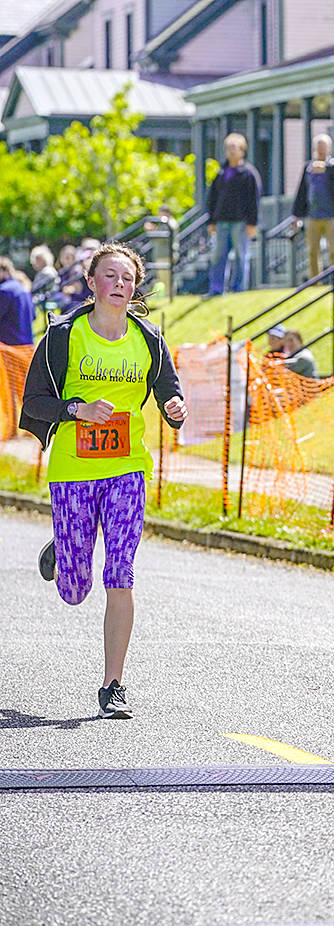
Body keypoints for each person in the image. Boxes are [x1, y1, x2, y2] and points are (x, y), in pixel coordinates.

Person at [19, 243, 187, 720]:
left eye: (128, 278)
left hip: (126, 468)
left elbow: (169, 390)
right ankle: (64, 547)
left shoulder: (148, 338)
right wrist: (77, 410)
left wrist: (176, 408)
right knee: (75, 590)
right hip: (74, 469)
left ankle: (113, 683)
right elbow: (32, 403)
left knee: (121, 572)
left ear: (134, 288)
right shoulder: (63, 337)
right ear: (92, 283)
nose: (119, 284)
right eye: (110, 276)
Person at [206, 133, 262, 295]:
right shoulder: (221, 172)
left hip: (241, 222)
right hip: (222, 221)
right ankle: (216, 289)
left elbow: (254, 200)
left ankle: (238, 290)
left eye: (234, 148)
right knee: (218, 257)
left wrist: (253, 223)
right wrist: (211, 221)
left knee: (241, 257)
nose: (231, 152)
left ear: (242, 151)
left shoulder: (249, 173)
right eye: (229, 148)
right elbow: (212, 198)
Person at [292, 134, 334, 281]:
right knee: (312, 251)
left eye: (324, 147)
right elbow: (301, 192)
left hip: (332, 215)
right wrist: (296, 215)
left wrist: (327, 165)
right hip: (312, 216)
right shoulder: (308, 168)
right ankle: (315, 281)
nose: (321, 150)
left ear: (329, 148)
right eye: (319, 147)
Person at [0, 257, 35, 346]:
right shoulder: (21, 287)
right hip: (27, 345)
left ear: (4, 271)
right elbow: (34, 315)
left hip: (10, 349)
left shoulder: (4, 290)